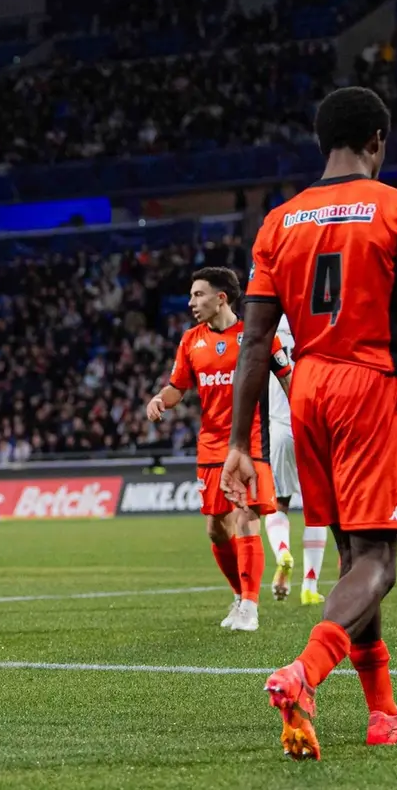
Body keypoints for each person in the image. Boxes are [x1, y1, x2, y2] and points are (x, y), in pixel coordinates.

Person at [225, 86, 397, 759]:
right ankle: (303, 675)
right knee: (378, 562)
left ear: (323, 142)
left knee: (350, 559)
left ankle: (383, 712)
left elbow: (254, 346)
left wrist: (235, 444)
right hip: (369, 384)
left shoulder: (278, 222)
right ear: (378, 140)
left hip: (305, 387)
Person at [147, 267, 291, 632]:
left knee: (245, 516)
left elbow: (288, 377)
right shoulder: (190, 341)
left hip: (250, 443)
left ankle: (251, 607)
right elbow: (177, 387)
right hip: (211, 447)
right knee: (215, 529)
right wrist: (160, 400)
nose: (192, 302)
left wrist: (306, 416)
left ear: (221, 297)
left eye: (198, 295)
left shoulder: (256, 336)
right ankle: (240, 596)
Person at [265, 315, 331, 606]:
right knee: (317, 509)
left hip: (279, 427)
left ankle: (282, 553)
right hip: (311, 422)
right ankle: (309, 586)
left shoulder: (268, 324)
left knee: (279, 502)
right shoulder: (317, 319)